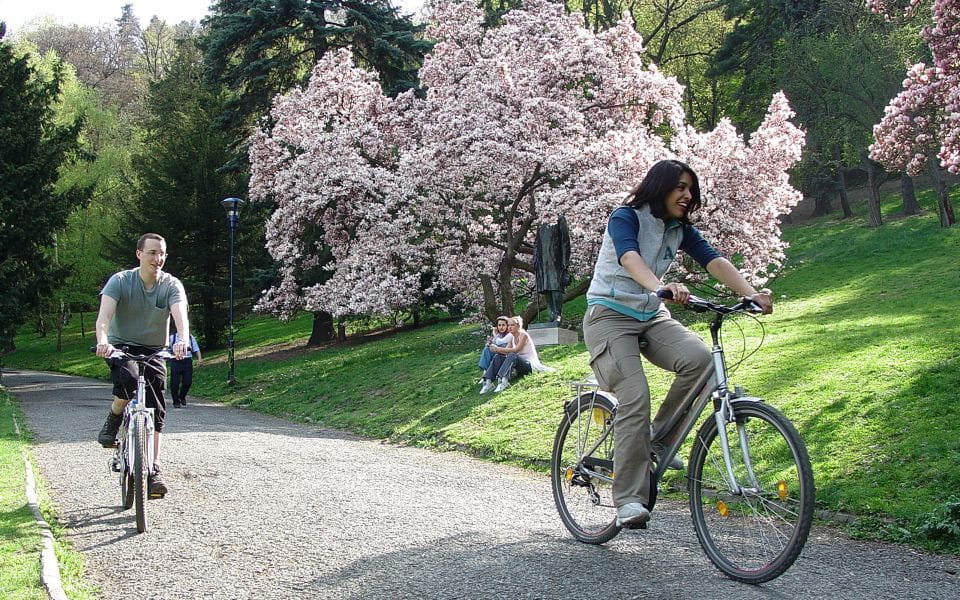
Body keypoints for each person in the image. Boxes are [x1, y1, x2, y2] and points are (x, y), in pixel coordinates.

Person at [582, 159, 773, 528]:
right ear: (661, 187)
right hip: (608, 316)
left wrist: (751, 294)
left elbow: (714, 261)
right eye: (681, 187)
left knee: (701, 361)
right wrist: (658, 286)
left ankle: (655, 442)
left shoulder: (678, 228)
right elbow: (629, 256)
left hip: (650, 316)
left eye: (691, 190)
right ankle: (628, 501)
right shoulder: (626, 217)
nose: (688, 196)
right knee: (635, 395)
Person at [95, 233, 192, 499]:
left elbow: (180, 315)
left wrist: (181, 340)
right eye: (151, 253)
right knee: (127, 381)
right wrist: (102, 341)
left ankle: (153, 469)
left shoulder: (171, 284)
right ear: (139, 254)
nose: (157, 259)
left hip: (154, 350)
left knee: (157, 404)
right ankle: (114, 418)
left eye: (161, 253)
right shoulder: (121, 281)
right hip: (120, 346)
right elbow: (104, 318)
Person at [481, 316, 554, 394]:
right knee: (498, 356)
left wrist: (498, 349)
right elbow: (505, 351)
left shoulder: (523, 335)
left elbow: (516, 350)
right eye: (508, 325)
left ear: (518, 326)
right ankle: (488, 382)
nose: (509, 327)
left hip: (529, 365)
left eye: (512, 325)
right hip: (519, 365)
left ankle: (503, 381)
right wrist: (495, 349)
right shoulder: (512, 337)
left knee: (513, 354)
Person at [168, 332, 202, 408]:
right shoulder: (172, 337)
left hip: (187, 361)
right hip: (175, 361)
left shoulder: (190, 337)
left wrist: (199, 359)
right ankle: (176, 402)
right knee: (174, 383)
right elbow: (167, 350)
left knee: (188, 382)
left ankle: (182, 396)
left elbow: (196, 348)